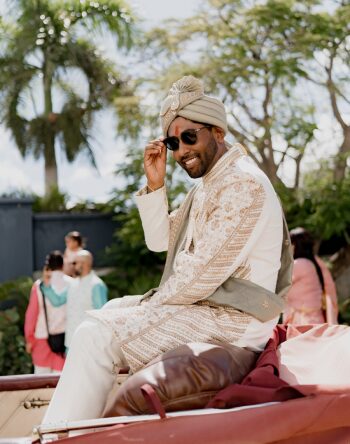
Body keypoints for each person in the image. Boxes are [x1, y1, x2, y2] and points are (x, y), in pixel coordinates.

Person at [43, 75, 292, 423]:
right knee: (105, 316)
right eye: (173, 142)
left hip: (233, 322)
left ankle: (56, 436)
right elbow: (161, 242)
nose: (181, 150)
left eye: (190, 137)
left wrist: (144, 306)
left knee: (94, 334)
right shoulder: (209, 186)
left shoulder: (242, 183)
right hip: (208, 310)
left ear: (217, 133)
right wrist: (155, 185)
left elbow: (196, 279)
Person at [24, 251, 73, 374]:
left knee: (41, 380)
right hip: (65, 340)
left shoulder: (39, 286)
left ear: (48, 267)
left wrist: (29, 339)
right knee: (60, 381)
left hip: (42, 339)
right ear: (62, 265)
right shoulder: (72, 284)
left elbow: (31, 316)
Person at [283, 227, 338, 325]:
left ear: (296, 245)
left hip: (304, 323)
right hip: (315, 320)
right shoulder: (315, 261)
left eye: (289, 243)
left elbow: (278, 284)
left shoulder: (299, 264)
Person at [65, 250, 108, 349]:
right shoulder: (72, 283)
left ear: (84, 264)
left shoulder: (96, 285)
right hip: (70, 341)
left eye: (75, 263)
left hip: (88, 343)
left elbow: (102, 316)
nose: (72, 266)